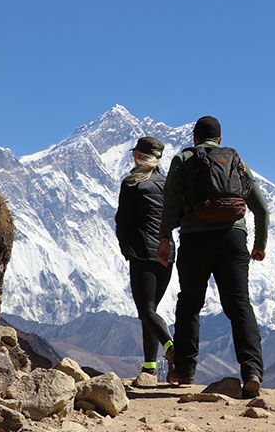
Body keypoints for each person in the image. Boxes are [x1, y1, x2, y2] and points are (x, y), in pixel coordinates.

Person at [157, 115, 269, 398]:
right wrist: (259, 245)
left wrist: (164, 237)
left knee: (190, 303)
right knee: (240, 305)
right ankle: (252, 372)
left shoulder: (184, 159)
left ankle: (184, 371)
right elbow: (262, 208)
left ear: (195, 138)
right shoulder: (235, 160)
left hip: (195, 238)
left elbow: (170, 202)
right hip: (234, 238)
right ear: (219, 139)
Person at [115, 136, 177, 381]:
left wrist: (126, 248)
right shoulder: (169, 184)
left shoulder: (132, 183)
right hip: (167, 254)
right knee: (151, 311)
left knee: (146, 311)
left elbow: (123, 221)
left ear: (139, 156)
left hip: (142, 252)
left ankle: (173, 350)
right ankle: (150, 365)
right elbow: (178, 218)